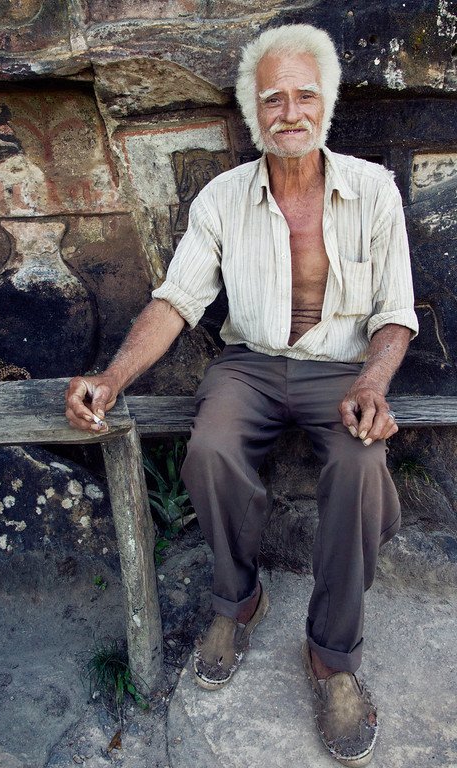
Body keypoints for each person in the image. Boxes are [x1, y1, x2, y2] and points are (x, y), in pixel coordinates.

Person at [65, 23, 418, 767]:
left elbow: (395, 317)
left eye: (304, 96)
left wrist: (372, 383)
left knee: (360, 467)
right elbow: (175, 301)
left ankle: (332, 656)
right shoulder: (223, 199)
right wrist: (112, 377)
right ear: (254, 114)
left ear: (328, 105)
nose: (290, 111)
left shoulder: (372, 191)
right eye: (273, 100)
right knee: (211, 449)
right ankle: (237, 600)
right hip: (249, 363)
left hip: (342, 369)